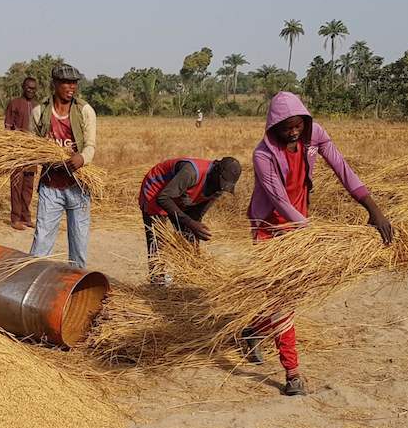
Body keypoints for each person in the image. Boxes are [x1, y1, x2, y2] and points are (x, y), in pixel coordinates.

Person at [242, 91, 393, 396]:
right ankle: (292, 374)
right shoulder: (263, 155)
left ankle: (252, 331)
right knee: (284, 299)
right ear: (273, 127)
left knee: (288, 295)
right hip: (270, 229)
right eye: (287, 128)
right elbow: (280, 201)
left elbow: (343, 170)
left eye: (298, 126)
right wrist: (314, 234)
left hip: (301, 228)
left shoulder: (314, 136)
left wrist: (374, 210)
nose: (294, 132)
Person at [29, 64, 97, 270]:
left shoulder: (84, 110)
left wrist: (82, 159)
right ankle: (33, 286)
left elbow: (91, 145)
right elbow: (31, 146)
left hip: (78, 187)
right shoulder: (39, 111)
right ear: (55, 84)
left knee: (79, 244)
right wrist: (45, 158)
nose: (72, 87)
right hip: (50, 188)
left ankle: (76, 288)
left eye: (74, 83)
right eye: (67, 83)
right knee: (42, 242)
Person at [138, 157, 242, 283]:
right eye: (220, 183)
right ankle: (157, 280)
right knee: (158, 238)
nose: (220, 188)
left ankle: (188, 276)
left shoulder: (218, 186)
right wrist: (190, 223)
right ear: (215, 171)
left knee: (189, 236)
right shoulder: (191, 172)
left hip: (177, 195)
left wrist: (194, 231)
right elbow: (163, 198)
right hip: (156, 190)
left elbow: (196, 215)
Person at [4, 77, 38, 230]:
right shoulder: (14, 104)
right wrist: (11, 149)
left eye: (33, 89)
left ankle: (26, 217)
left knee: (28, 186)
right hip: (17, 150)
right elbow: (8, 128)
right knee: (16, 185)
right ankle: (15, 218)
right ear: (23, 87)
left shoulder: (38, 106)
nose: (31, 91)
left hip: (32, 151)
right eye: (28, 88)